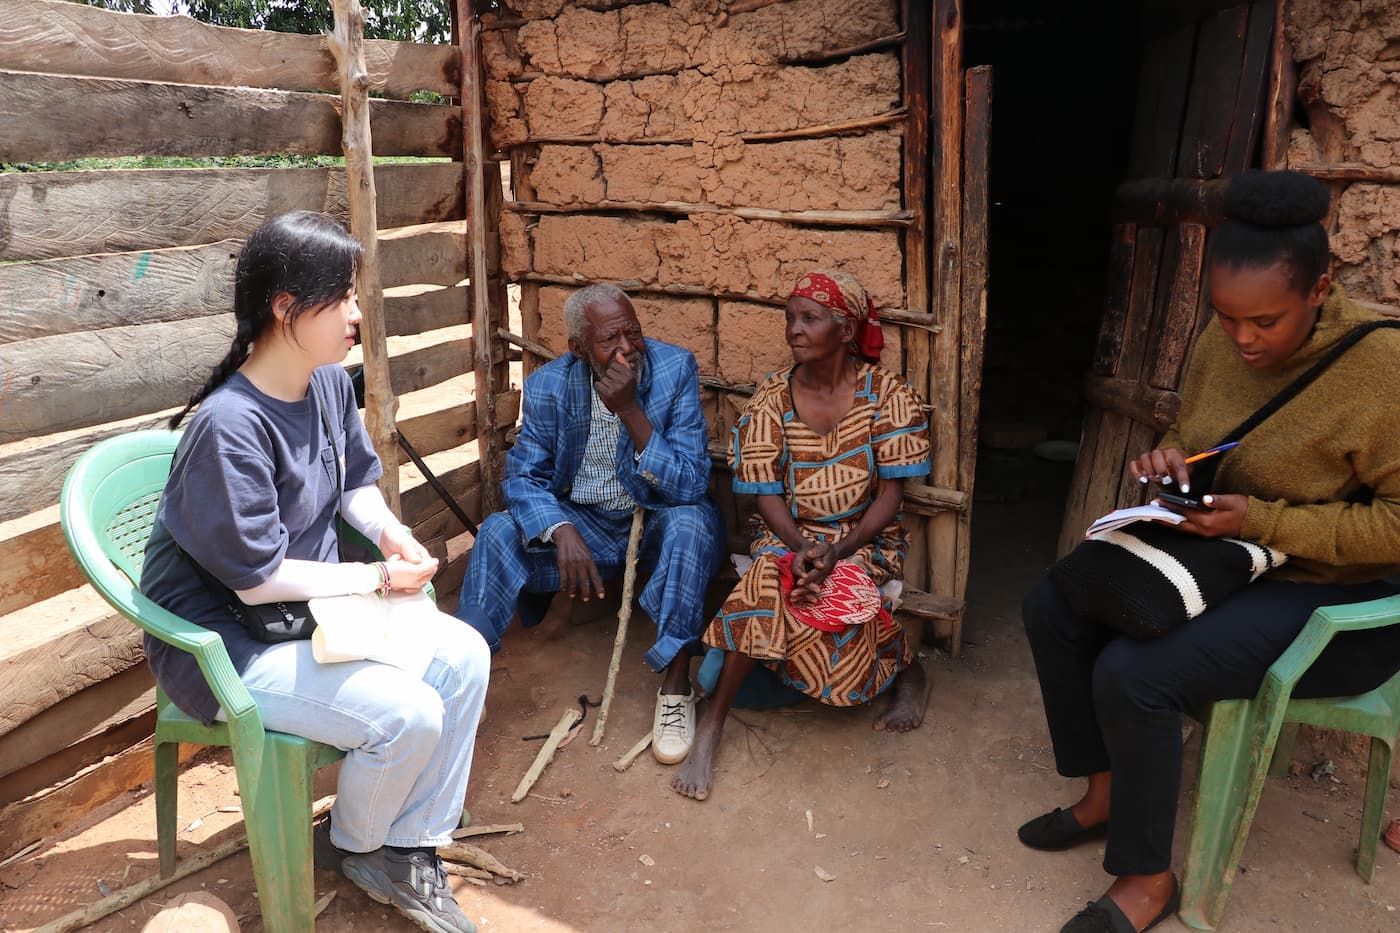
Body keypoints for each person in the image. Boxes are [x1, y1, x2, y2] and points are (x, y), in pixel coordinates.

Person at [1019, 169, 1400, 933]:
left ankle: (1147, 877)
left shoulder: (1381, 371)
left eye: (1263, 321)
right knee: (1053, 603)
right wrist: (1173, 461)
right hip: (1238, 556)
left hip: (1344, 594)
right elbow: (1200, 435)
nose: (1242, 339)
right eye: (1227, 319)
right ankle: (1105, 792)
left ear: (1320, 288)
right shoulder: (1223, 342)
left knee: (1136, 672)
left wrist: (1264, 518)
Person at [140, 212, 489, 933]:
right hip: (229, 643)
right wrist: (377, 582)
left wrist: (394, 539)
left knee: (465, 656)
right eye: (342, 298)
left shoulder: (327, 384)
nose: (358, 314)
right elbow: (256, 580)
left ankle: (403, 842)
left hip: (306, 614)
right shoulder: (228, 425)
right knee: (409, 713)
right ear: (284, 307)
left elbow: (355, 484)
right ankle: (356, 844)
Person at [672, 269, 932, 802]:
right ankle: (711, 727)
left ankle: (910, 670)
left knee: (842, 659)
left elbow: (891, 497)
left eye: (810, 318)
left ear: (845, 329)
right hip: (788, 535)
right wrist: (801, 548)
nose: (795, 329)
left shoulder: (887, 395)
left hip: (864, 541)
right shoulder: (772, 396)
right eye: (791, 317)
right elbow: (764, 492)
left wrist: (838, 550)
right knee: (773, 579)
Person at [454, 283, 724, 764]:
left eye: (633, 334)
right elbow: (522, 477)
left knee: (692, 521)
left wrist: (631, 411)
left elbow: (689, 484)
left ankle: (676, 685)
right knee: (497, 532)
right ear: (579, 350)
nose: (627, 349)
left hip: (657, 517)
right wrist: (559, 528)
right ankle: (458, 684)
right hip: (586, 524)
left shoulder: (674, 368)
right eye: (609, 341)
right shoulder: (549, 385)